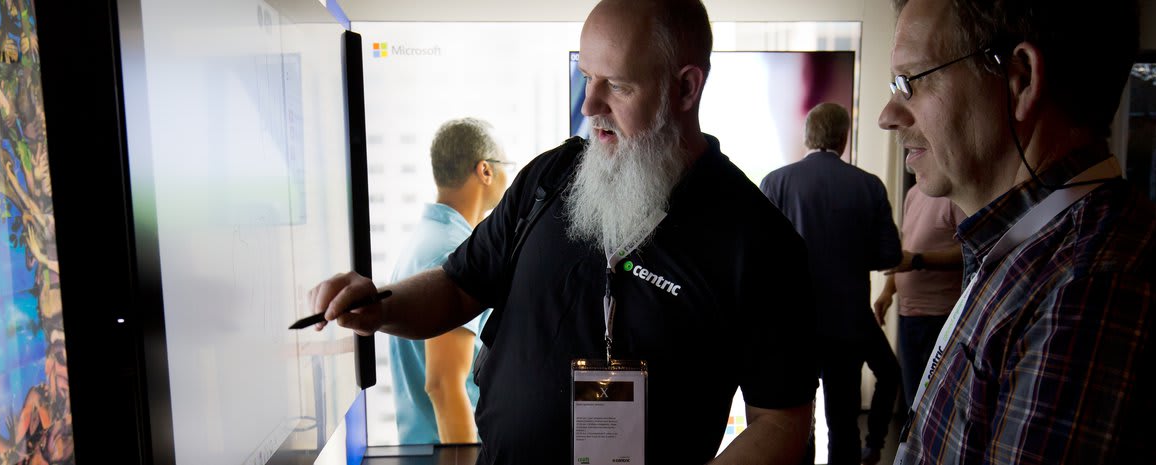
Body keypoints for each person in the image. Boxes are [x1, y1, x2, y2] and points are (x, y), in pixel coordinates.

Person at [308, 1, 819, 463]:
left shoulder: (758, 240)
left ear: (686, 87)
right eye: (587, 77)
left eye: (617, 85)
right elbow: (459, 284)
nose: (589, 105)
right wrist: (381, 306)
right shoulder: (550, 177)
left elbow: (780, 422)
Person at [880, 0, 1156, 462]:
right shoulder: (1031, 251)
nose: (888, 114)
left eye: (911, 81)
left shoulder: (1092, 292)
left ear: (1020, 80)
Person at [760, 102, 903, 465]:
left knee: (798, 426)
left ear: (807, 136)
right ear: (843, 138)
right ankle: (869, 448)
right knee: (843, 424)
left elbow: (762, 256)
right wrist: (850, 257)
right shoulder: (869, 185)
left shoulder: (775, 182)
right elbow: (890, 255)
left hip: (795, 327)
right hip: (848, 325)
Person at [386, 118, 509, 445]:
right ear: (485, 170)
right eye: (506, 166)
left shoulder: (427, 238)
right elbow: (443, 385)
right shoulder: (451, 251)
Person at [872, 184, 965, 411]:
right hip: (908, 317)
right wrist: (888, 291)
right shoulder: (913, 193)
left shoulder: (955, 193)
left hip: (941, 317)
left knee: (937, 403)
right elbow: (906, 249)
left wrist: (918, 260)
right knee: (913, 401)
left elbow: (970, 252)